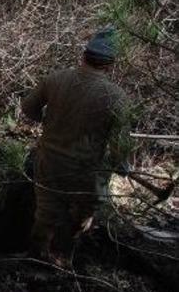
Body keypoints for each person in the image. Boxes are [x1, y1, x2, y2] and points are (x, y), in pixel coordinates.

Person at [22, 27, 130, 266]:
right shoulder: (116, 97)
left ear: (84, 55)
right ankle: (63, 260)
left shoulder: (56, 79)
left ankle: (36, 259)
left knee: (46, 212)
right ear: (110, 64)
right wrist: (122, 165)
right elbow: (120, 147)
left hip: (50, 160)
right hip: (87, 171)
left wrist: (50, 123)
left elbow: (28, 108)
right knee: (80, 218)